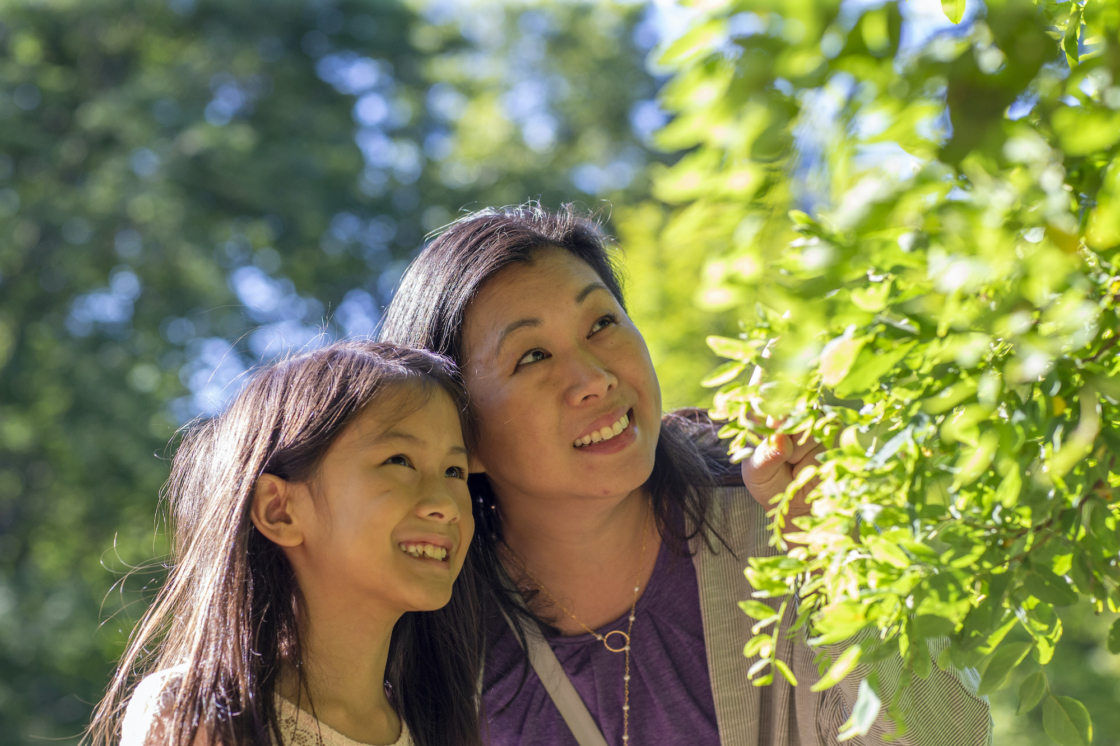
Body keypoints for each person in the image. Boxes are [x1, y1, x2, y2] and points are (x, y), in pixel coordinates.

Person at [379, 204, 991, 746]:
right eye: (533, 356)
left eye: (602, 324)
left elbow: (952, 736)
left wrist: (835, 562)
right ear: (459, 431)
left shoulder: (781, 509)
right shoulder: (430, 638)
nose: (595, 378)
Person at [88, 342, 483, 746]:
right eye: (399, 460)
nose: (445, 505)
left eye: (455, 471)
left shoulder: (446, 729)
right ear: (279, 510)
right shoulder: (198, 715)